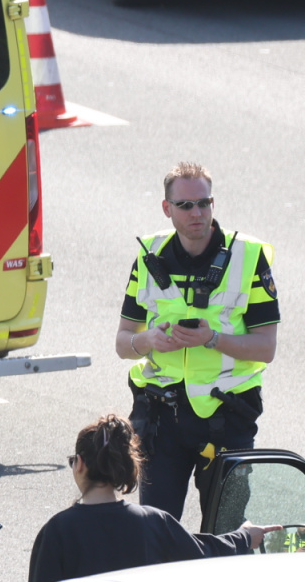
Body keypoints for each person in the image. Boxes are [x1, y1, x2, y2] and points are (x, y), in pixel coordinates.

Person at [117, 162, 279, 516]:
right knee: (158, 534)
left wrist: (212, 339)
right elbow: (123, 341)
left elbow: (266, 348)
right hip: (162, 419)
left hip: (227, 417)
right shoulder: (149, 255)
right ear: (167, 209)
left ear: (213, 204)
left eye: (204, 203)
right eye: (186, 205)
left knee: (226, 531)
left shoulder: (248, 257)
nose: (197, 213)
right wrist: (149, 341)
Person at [28, 413, 276, 582]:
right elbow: (204, 552)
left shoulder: (57, 531)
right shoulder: (153, 522)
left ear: (80, 463)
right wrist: (244, 537)